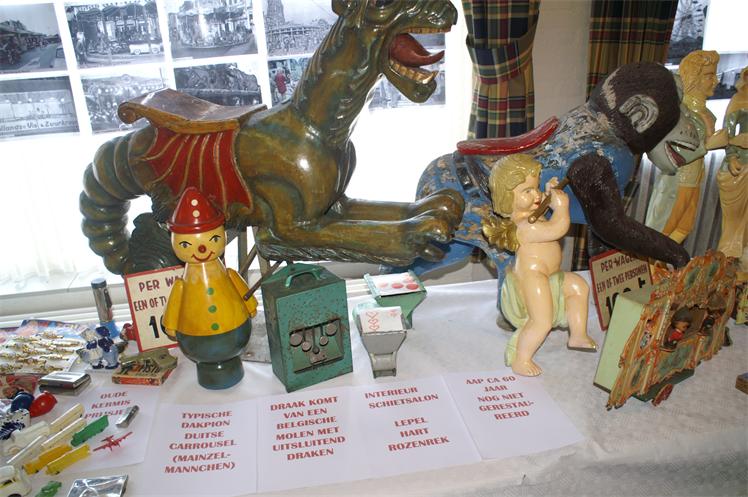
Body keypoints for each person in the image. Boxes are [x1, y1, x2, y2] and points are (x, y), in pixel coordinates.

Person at [483, 154, 596, 376]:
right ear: (508, 197)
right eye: (527, 191)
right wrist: (561, 208)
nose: (536, 195)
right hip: (533, 278)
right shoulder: (524, 226)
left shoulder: (531, 214)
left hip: (550, 274)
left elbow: (542, 206)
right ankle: (521, 359)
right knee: (541, 321)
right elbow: (557, 229)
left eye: (535, 188)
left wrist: (548, 192)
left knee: (579, 287)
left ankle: (577, 335)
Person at [648, 51, 720, 242]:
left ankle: (666, 259)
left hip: (694, 180)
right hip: (677, 181)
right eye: (709, 75)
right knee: (662, 228)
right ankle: (653, 260)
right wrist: (707, 145)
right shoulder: (679, 113)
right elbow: (669, 150)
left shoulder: (706, 114)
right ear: (693, 78)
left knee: (684, 227)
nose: (716, 81)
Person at [716, 66, 748, 281]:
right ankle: (726, 264)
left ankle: (743, 263)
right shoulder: (738, 102)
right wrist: (732, 156)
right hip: (739, 167)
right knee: (733, 220)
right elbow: (726, 135)